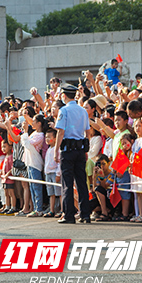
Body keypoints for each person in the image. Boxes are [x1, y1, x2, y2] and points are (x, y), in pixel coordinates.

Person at [55, 83, 91, 224]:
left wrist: (56, 150)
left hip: (68, 150)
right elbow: (87, 131)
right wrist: (85, 149)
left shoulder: (64, 110)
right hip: (80, 149)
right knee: (81, 183)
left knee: (67, 183)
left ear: (64, 95)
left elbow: (61, 131)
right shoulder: (82, 111)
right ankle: (85, 214)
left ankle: (68, 214)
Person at [43, 128, 61, 218]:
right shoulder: (49, 149)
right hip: (48, 173)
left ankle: (62, 210)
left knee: (59, 193)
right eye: (46, 137)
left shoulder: (57, 149)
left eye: (49, 137)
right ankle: (52, 210)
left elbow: (59, 163)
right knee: (51, 194)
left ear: (55, 138)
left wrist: (58, 174)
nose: (47, 139)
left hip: (54, 173)